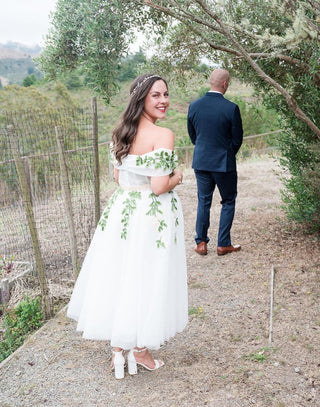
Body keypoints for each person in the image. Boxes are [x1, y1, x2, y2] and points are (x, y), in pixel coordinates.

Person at [67, 73, 188, 379]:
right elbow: (160, 186)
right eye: (156, 96)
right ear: (141, 99)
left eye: (165, 94)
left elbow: (118, 178)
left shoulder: (119, 133)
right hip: (151, 216)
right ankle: (140, 350)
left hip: (122, 212)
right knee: (146, 276)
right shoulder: (163, 135)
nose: (163, 101)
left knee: (121, 274)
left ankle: (118, 352)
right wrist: (178, 177)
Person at [187, 68, 243, 256]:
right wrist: (226, 153)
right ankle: (223, 244)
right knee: (228, 200)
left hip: (201, 161)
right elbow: (237, 139)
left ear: (210, 81)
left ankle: (201, 243)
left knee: (203, 201)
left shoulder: (194, 106)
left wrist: (204, 150)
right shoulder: (231, 108)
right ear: (225, 84)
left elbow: (193, 135)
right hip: (223, 163)